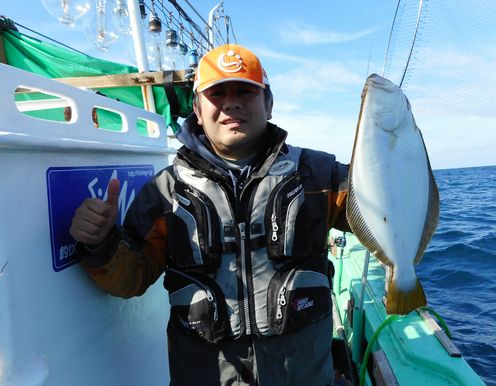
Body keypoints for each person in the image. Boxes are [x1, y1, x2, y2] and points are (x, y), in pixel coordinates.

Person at [70, 43, 351, 386]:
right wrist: (100, 243)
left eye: (245, 91)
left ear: (269, 103)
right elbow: (132, 277)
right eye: (217, 93)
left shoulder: (320, 174)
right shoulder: (164, 192)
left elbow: (376, 216)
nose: (231, 102)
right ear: (197, 110)